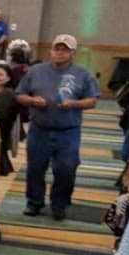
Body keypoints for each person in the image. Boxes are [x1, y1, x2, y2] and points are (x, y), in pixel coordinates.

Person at [15, 34, 99, 220]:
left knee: (66, 169)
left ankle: (59, 204)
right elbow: (19, 95)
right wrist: (32, 100)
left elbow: (92, 101)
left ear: (72, 53)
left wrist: (74, 104)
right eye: (57, 48)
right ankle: (34, 202)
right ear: (51, 51)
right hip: (39, 129)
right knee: (35, 168)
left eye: (65, 50)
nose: (60, 53)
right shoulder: (36, 71)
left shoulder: (83, 74)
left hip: (68, 132)